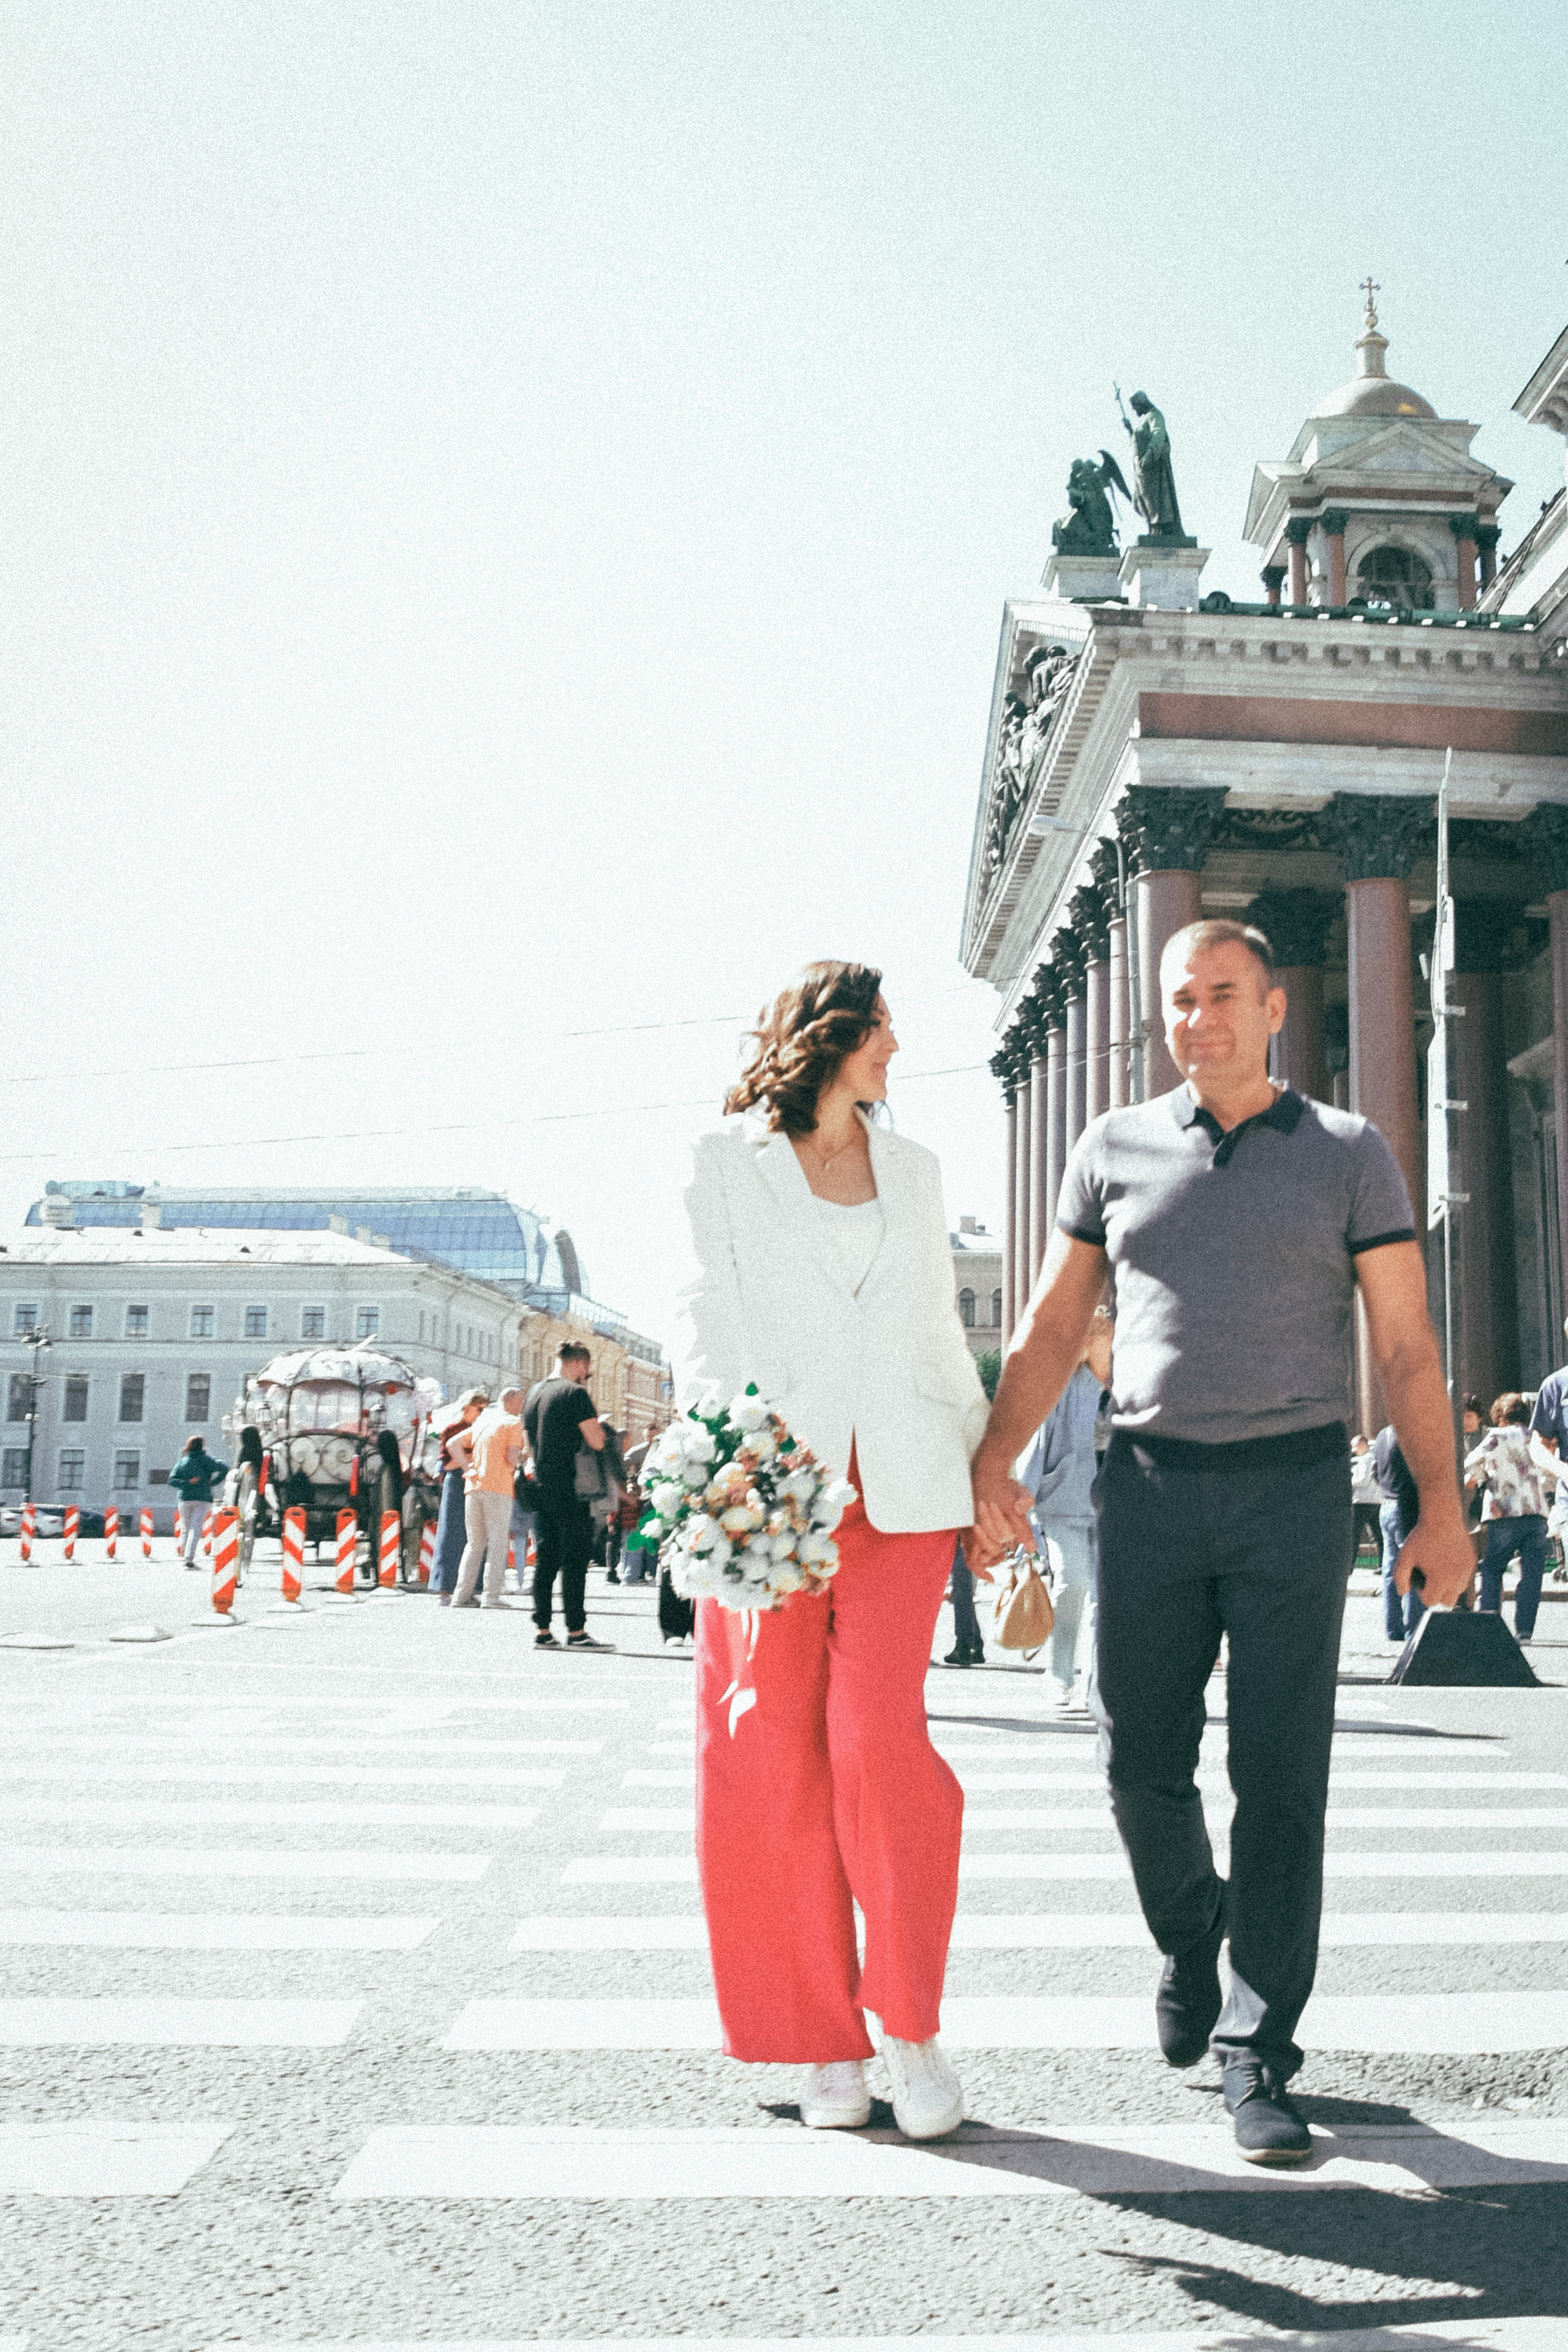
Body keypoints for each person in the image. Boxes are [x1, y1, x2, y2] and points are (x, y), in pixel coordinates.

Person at [970, 918, 1472, 2168]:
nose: (1196, 1019)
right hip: (1143, 1484)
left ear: (1273, 1007)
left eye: (1220, 995)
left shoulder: (1348, 1154)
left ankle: (1259, 2053)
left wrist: (1439, 1507)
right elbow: (1046, 1324)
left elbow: (1404, 1346)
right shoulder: (1111, 1148)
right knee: (1138, 1760)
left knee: (1280, 1777)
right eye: (1178, 1000)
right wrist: (992, 1463)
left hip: (1290, 1490)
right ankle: (1192, 1930)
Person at [676, 959, 988, 2143]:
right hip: (772, 1488)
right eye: (881, 1030)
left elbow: (933, 1333)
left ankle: (907, 2022)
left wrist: (984, 1476)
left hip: (904, 1482)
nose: (897, 1050)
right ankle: (821, 2038)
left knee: (878, 1743)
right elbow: (712, 1313)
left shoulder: (914, 1169)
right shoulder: (727, 1163)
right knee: (770, 1755)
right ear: (830, 1038)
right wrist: (731, 1457)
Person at [1015, 1305, 1114, 1710]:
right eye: (1092, 1338)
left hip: (1116, 1505)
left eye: (1103, 1337)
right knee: (1072, 1582)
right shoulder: (1062, 1385)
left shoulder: (1123, 1384)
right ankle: (1058, 1673)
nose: (1098, 1345)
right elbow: (1036, 1445)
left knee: (1104, 1598)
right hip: (1062, 1505)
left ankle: (1098, 1686)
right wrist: (1023, 1505)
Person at [524, 1344, 611, 1650]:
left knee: (545, 1561)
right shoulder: (575, 1394)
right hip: (572, 1488)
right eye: (587, 1373)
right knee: (575, 1561)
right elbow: (597, 1441)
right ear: (580, 1365)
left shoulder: (533, 1394)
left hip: (540, 1487)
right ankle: (576, 1632)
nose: (586, 1378)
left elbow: (529, 1445)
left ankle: (543, 1630)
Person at [1466, 1392, 1566, 1643]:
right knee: (1532, 1576)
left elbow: (1471, 1462)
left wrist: (1482, 1476)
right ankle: (1525, 1632)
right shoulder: (1536, 1439)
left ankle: (1489, 1626)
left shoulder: (1496, 1437)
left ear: (1499, 1415)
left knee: (1492, 1569)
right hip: (1535, 1514)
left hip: (1503, 1514)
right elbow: (1551, 1473)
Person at [452, 1387, 524, 1610]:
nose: (522, 1406)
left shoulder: (483, 1423)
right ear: (511, 1401)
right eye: (521, 1401)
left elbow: (452, 1444)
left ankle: (461, 1595)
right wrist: (526, 1453)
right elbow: (512, 1459)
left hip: (474, 1487)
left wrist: (467, 1467)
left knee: (474, 1544)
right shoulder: (514, 1424)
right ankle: (491, 1596)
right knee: (497, 1543)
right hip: (498, 1488)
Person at [431, 1389, 487, 1605]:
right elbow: (448, 1465)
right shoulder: (453, 1430)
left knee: (474, 1538)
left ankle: (469, 1589)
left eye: (484, 1408)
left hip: (476, 1485)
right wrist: (468, 1456)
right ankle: (445, 1589)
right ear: (467, 1406)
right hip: (456, 1484)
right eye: (478, 1408)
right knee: (451, 1536)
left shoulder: (481, 1429)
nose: (481, 1413)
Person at [1373, 1421, 1423, 1646]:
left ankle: (1394, 1628)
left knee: (1391, 1569)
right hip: (1407, 1504)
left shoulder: (1384, 1434)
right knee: (1414, 1569)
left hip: (1387, 1503)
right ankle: (1415, 1629)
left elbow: (1376, 1470)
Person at [168, 1434, 229, 1570]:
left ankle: (184, 1556)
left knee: (185, 1528)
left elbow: (171, 1480)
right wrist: (214, 1482)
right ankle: (189, 1558)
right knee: (196, 1529)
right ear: (202, 1446)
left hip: (185, 1498)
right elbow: (224, 1467)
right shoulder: (206, 1460)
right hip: (203, 1498)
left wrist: (186, 1483)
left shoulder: (183, 1462)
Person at [941, 1537, 985, 1667]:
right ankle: (974, 1644)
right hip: (967, 1531)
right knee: (962, 1590)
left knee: (962, 1589)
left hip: (963, 1530)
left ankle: (965, 1647)